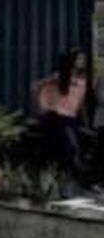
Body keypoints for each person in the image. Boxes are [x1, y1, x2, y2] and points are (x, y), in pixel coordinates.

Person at [34, 48, 90, 179]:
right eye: (79, 59)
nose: (82, 62)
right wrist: (42, 107)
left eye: (84, 59)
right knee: (72, 147)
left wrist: (86, 122)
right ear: (72, 61)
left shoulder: (83, 80)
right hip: (57, 117)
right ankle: (78, 178)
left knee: (74, 148)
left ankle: (69, 179)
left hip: (71, 118)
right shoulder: (60, 76)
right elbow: (36, 87)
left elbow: (80, 103)